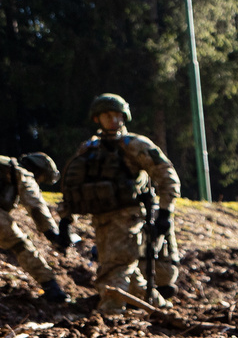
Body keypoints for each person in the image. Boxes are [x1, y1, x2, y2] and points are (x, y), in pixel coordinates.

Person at [59, 94, 181, 315]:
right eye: (108, 115)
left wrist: (165, 213)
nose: (114, 120)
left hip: (129, 217)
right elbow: (72, 185)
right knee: (126, 272)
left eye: (118, 115)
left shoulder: (134, 145)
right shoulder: (89, 149)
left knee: (117, 267)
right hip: (102, 219)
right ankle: (161, 309)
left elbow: (167, 176)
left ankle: (109, 313)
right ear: (97, 118)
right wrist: (66, 219)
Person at [0, 153, 69, 302]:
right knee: (20, 245)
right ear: (39, 172)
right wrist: (52, 234)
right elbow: (36, 206)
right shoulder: (21, 173)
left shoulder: (5, 166)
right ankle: (51, 286)